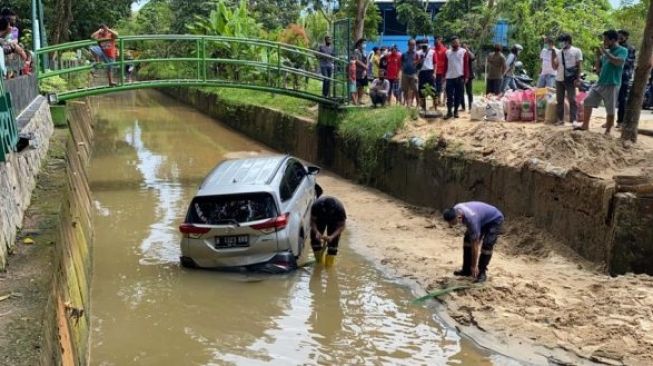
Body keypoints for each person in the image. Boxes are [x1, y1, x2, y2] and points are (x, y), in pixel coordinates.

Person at [579, 29, 628, 135]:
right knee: (587, 101)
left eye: (606, 40)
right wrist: (598, 56)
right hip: (600, 82)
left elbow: (618, 62)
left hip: (612, 83)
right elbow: (598, 70)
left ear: (613, 40)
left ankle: (608, 132)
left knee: (610, 109)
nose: (604, 42)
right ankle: (585, 126)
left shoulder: (622, 50)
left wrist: (605, 53)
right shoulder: (607, 52)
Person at [443, 202, 504, 283]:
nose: (450, 224)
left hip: (494, 219)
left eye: (451, 222)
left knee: (487, 245)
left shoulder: (471, 219)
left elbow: (475, 245)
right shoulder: (456, 209)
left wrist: (474, 266)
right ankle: (466, 270)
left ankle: (482, 273)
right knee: (467, 240)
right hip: (481, 219)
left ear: (458, 217)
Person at [551, 34, 583, 126]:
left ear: (568, 41)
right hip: (559, 79)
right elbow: (554, 67)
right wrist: (552, 55)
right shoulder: (559, 52)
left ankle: (573, 120)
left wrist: (578, 78)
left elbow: (579, 66)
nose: (560, 44)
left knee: (572, 99)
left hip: (570, 79)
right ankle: (560, 120)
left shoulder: (576, 51)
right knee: (559, 100)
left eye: (562, 41)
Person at [311, 195, 347, 267]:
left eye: (330, 211)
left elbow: (342, 226)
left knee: (333, 247)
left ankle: (329, 267)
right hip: (320, 219)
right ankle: (319, 263)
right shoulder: (316, 206)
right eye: (326, 210)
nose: (328, 212)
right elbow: (312, 221)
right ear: (323, 207)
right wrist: (316, 232)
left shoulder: (340, 209)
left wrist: (332, 236)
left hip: (334, 221)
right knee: (315, 242)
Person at [443, 36, 469, 120]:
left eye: (457, 42)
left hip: (460, 77)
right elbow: (445, 65)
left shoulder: (463, 51)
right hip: (449, 77)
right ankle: (449, 112)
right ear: (451, 43)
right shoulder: (447, 52)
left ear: (459, 43)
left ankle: (456, 111)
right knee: (449, 96)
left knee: (458, 95)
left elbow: (466, 65)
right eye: (454, 42)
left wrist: (466, 76)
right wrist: (444, 76)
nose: (455, 44)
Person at [616, 29, 636, 128]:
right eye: (618, 35)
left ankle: (620, 121)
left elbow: (629, 62)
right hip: (614, 76)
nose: (619, 37)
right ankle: (609, 120)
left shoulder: (630, 48)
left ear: (626, 37)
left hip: (624, 77)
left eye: (621, 36)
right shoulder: (615, 47)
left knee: (622, 99)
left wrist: (618, 59)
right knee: (610, 98)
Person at [417, 41, 437, 111]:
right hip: (422, 72)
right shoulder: (418, 52)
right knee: (421, 89)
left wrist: (434, 73)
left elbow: (435, 63)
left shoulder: (432, 52)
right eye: (423, 45)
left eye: (425, 45)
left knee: (432, 88)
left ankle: (434, 105)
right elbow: (417, 64)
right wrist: (420, 60)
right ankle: (423, 106)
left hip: (430, 72)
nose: (424, 46)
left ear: (428, 44)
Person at [401, 39, 419, 108]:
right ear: (408, 45)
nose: (413, 46)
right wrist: (402, 71)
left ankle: (418, 104)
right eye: (411, 44)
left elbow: (418, 64)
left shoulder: (416, 54)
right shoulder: (404, 54)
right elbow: (402, 63)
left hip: (414, 74)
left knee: (416, 89)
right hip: (405, 74)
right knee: (405, 90)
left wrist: (417, 63)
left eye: (414, 45)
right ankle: (408, 104)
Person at [461, 42, 476, 111]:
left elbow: (473, 57)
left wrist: (467, 50)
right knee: (461, 91)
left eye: (465, 46)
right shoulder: (460, 54)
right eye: (463, 47)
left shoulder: (468, 54)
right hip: (461, 75)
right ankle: (463, 106)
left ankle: (470, 106)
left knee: (469, 92)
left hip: (469, 75)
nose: (464, 48)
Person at [434, 37, 448, 107]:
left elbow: (447, 62)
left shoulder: (445, 50)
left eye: (438, 39)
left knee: (445, 87)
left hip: (444, 72)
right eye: (436, 39)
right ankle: (438, 100)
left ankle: (444, 101)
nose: (437, 41)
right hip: (436, 72)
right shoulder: (433, 50)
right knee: (437, 88)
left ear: (441, 40)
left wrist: (445, 72)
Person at [354, 38, 368, 104]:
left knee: (362, 86)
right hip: (357, 71)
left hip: (363, 72)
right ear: (360, 44)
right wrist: (364, 66)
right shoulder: (356, 51)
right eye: (363, 43)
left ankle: (360, 100)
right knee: (356, 86)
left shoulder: (364, 52)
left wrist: (366, 67)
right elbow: (356, 60)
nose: (364, 45)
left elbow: (366, 60)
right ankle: (355, 100)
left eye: (365, 43)